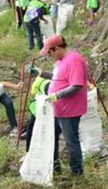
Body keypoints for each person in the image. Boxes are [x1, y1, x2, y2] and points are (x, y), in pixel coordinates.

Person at [38, 35, 88, 176]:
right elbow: (57, 77)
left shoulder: (74, 60)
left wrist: (56, 95)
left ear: (57, 48)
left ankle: (76, 171)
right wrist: (41, 73)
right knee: (51, 137)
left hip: (69, 110)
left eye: (50, 52)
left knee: (71, 141)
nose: (49, 55)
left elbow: (76, 85)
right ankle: (54, 167)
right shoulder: (61, 61)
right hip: (57, 109)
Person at [25, 75, 51, 152]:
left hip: (49, 104)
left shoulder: (52, 83)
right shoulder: (44, 86)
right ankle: (28, 151)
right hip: (39, 105)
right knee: (32, 126)